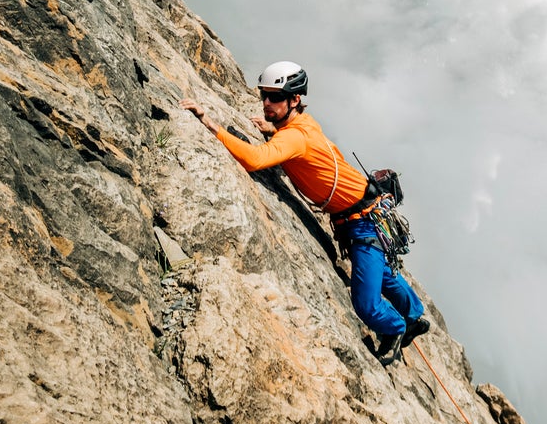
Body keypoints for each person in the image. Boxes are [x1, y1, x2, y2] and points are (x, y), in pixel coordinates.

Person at [180, 60, 428, 365]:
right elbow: (294, 142)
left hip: (361, 222)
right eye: (264, 96)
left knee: (366, 304)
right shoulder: (302, 123)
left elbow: (256, 160)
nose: (266, 103)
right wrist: (273, 128)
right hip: (363, 213)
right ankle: (415, 314)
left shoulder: (294, 137)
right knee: (383, 273)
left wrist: (212, 125)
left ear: (294, 99)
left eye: (274, 97)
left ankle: (397, 327)